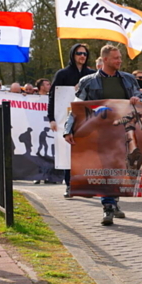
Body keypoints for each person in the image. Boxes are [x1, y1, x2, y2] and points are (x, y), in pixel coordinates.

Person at [63, 44, 142, 226]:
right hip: (99, 132)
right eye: (116, 58)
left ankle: (113, 202)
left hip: (122, 132)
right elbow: (76, 107)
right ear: (105, 60)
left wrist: (137, 100)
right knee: (106, 167)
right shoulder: (88, 81)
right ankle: (108, 205)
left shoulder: (128, 79)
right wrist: (68, 129)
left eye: (120, 58)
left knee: (118, 168)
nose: (119, 61)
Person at [49, 42, 95, 198]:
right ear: (72, 55)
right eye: (79, 53)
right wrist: (51, 118)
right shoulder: (63, 74)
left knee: (87, 152)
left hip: (87, 119)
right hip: (66, 118)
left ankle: (85, 184)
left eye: (85, 54)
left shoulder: (92, 74)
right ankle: (69, 185)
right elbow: (53, 96)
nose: (82, 56)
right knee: (67, 151)